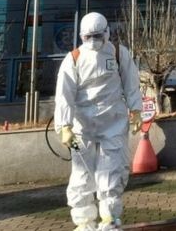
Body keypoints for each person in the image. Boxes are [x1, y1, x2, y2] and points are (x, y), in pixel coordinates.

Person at [55, 12, 143, 231]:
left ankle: (110, 220)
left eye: (97, 35)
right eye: (89, 36)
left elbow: (132, 84)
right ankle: (84, 223)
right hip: (79, 128)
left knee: (113, 171)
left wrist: (136, 110)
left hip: (114, 123)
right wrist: (64, 126)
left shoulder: (119, 54)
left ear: (107, 32)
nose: (93, 41)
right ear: (81, 36)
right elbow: (64, 94)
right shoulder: (73, 58)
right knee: (80, 174)